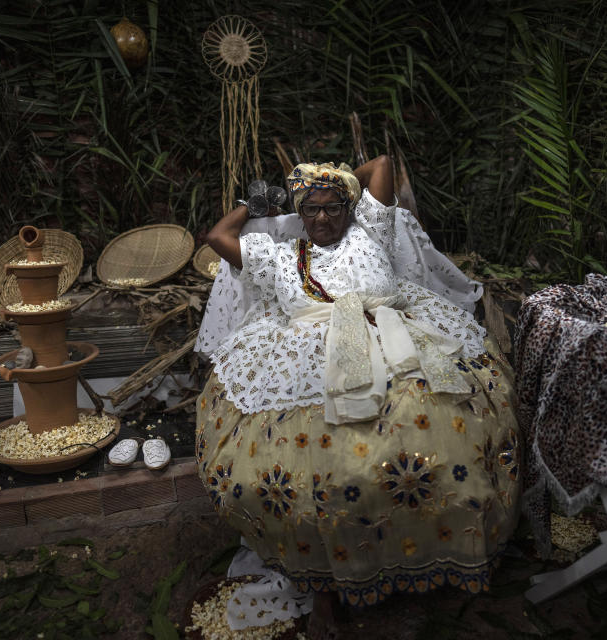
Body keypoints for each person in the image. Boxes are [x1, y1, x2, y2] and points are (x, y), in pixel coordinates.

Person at [197, 155, 521, 637]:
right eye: (312, 210)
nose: (323, 219)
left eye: (333, 207)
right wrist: (256, 206)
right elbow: (218, 238)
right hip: (307, 360)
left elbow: (383, 164)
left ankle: (430, 551)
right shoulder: (282, 255)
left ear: (350, 207)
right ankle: (326, 578)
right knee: (318, 476)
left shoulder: (372, 230)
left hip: (396, 344)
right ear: (299, 214)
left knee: (440, 449)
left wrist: (330, 177)